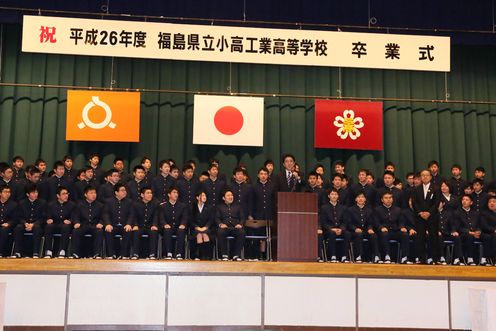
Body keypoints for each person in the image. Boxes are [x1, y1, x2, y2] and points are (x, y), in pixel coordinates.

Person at [412, 169, 441, 264]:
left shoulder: (436, 188)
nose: (425, 177)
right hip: (420, 218)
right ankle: (422, 258)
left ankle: (434, 258)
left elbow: (436, 202)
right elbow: (414, 203)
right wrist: (420, 212)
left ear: (430, 177)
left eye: (427, 175)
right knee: (420, 238)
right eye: (423, 175)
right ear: (420, 177)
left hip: (432, 217)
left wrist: (429, 213)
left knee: (433, 238)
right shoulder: (416, 189)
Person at [374, 191, 410, 264]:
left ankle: (404, 257)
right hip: (383, 231)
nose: (388, 199)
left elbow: (401, 221)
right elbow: (376, 222)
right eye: (386, 198)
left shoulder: (398, 209)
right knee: (384, 234)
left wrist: (402, 227)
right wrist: (381, 227)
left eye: (390, 198)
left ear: (392, 199)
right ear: (382, 200)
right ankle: (387, 256)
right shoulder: (377, 209)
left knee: (405, 234)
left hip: (395, 231)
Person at [13, 183, 46, 258]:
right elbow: (19, 217)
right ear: (28, 194)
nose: (36, 194)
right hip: (24, 223)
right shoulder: (21, 203)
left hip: (37, 224)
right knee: (18, 228)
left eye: (37, 192)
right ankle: (17, 252)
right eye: (33, 192)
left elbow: (43, 217)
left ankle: (35, 252)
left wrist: (33, 224)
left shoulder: (43, 203)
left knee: (37, 228)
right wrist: (25, 223)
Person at [346, 192, 380, 263]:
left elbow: (370, 222)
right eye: (358, 197)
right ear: (355, 199)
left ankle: (376, 256)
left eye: (362, 197)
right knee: (359, 235)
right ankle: (358, 256)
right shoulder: (350, 210)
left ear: (365, 199)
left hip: (366, 230)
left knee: (373, 236)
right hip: (354, 231)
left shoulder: (369, 209)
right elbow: (349, 223)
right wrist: (355, 229)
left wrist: (370, 228)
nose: (360, 199)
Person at [72, 186, 104, 259]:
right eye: (91, 193)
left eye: (95, 193)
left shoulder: (100, 205)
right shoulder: (79, 204)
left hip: (94, 226)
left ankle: (97, 253)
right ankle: (75, 253)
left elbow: (103, 216)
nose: (94, 195)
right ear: (85, 195)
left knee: (99, 232)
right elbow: (75, 216)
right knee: (75, 231)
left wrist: (101, 223)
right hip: (83, 225)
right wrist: (76, 222)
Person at [103, 183, 134, 259]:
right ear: (116, 192)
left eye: (125, 190)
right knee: (108, 231)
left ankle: (124, 254)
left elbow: (131, 214)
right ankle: (111, 254)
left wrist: (129, 224)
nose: (125, 192)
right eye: (122, 190)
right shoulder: (108, 201)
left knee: (128, 231)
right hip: (113, 225)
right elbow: (105, 214)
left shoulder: (129, 202)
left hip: (124, 225)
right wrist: (108, 224)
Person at [44, 186, 76, 258]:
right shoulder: (51, 204)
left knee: (66, 227)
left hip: (65, 226)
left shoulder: (72, 205)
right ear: (58, 196)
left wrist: (70, 221)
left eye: (67, 194)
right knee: (48, 226)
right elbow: (48, 216)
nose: (66, 195)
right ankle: (48, 250)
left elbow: (73, 217)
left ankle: (63, 250)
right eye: (63, 194)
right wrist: (49, 219)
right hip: (55, 224)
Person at [319, 188, 350, 263]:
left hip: (340, 229)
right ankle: (332, 256)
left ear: (338, 196)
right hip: (328, 231)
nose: (334, 196)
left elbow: (345, 221)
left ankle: (344, 256)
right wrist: (331, 229)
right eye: (332, 194)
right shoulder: (324, 207)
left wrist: (341, 229)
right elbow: (323, 222)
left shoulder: (343, 208)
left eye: (336, 194)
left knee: (347, 234)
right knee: (332, 234)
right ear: (329, 196)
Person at [216, 189, 246, 261]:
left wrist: (240, 224)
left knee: (242, 232)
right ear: (224, 198)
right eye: (228, 195)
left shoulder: (238, 206)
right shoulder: (219, 207)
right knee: (220, 232)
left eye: (231, 195)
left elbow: (242, 217)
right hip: (224, 227)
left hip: (235, 227)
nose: (230, 197)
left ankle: (236, 255)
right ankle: (224, 255)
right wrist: (220, 224)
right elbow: (216, 218)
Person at [160, 186, 188, 259]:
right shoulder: (163, 206)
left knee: (181, 231)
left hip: (178, 227)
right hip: (168, 227)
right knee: (167, 231)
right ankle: (168, 253)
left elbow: (184, 217)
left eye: (177, 193)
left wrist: (183, 224)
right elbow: (161, 218)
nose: (176, 194)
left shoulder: (182, 206)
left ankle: (179, 254)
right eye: (174, 192)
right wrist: (165, 224)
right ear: (169, 195)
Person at [452, 194, 481, 266]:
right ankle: (462, 259)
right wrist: (469, 232)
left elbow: (478, 225)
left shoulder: (475, 213)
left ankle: (472, 259)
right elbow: (458, 227)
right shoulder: (457, 212)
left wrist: (478, 231)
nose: (464, 201)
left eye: (466, 200)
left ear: (471, 202)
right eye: (463, 200)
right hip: (462, 234)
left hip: (474, 234)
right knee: (469, 236)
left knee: (485, 236)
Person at [131, 187, 159, 259]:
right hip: (139, 226)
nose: (150, 195)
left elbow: (156, 216)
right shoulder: (136, 204)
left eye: (151, 193)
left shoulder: (155, 204)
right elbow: (134, 216)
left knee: (154, 232)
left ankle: (152, 254)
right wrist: (135, 225)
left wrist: (154, 225)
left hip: (150, 227)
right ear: (142, 195)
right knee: (136, 232)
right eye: (148, 193)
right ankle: (135, 254)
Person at [189, 191, 215, 260]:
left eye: (205, 196)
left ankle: (206, 255)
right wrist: (197, 227)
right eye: (202, 195)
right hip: (195, 229)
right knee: (199, 235)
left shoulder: (210, 207)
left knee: (205, 234)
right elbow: (191, 220)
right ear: (197, 197)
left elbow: (211, 219)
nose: (204, 197)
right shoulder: (192, 207)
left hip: (207, 228)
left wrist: (206, 227)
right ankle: (198, 255)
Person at [0, 185, 17, 257]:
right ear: (0, 193)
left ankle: (0, 252)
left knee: (4, 230)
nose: (7, 194)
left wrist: (8, 223)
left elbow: (15, 218)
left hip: (8, 226)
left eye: (9, 192)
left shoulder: (13, 204)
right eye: (5, 192)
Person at [480, 196, 496, 266]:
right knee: (489, 237)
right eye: (489, 202)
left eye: (494, 202)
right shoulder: (484, 213)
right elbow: (484, 226)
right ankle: (488, 258)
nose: (491, 203)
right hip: (486, 233)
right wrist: (494, 230)